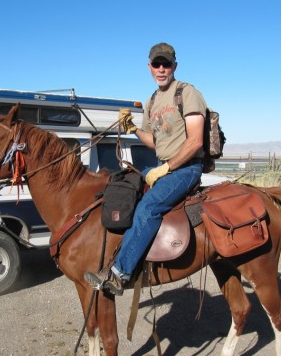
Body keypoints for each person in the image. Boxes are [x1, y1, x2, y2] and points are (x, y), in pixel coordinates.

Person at [85, 42, 207, 295]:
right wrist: (133, 129)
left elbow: (195, 141)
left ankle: (121, 274)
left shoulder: (187, 93)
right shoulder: (152, 101)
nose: (161, 69)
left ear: (175, 66)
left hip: (186, 168)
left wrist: (167, 168)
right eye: (156, 64)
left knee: (149, 207)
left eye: (166, 64)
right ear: (149, 67)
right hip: (166, 165)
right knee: (127, 195)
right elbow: (155, 141)